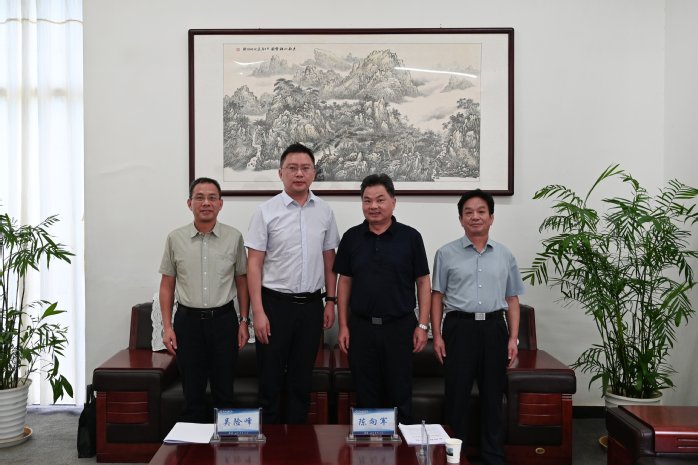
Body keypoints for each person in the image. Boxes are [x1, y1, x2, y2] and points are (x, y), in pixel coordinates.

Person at [245, 142, 340, 424]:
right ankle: (270, 442)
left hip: (311, 306)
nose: (299, 173)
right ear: (280, 173)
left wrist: (330, 301)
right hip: (274, 305)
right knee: (270, 378)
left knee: (302, 379)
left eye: (305, 168)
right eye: (293, 168)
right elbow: (254, 265)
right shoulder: (266, 211)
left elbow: (329, 260)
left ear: (314, 173)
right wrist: (257, 312)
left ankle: (298, 441)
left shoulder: (324, 211)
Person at [430, 189, 525, 465]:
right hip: (459, 329)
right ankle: (454, 457)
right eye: (468, 212)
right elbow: (437, 296)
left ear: (491, 217)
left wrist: (513, 338)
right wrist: (437, 335)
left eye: (481, 211)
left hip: (495, 328)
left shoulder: (505, 255)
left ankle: (493, 456)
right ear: (461, 219)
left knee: (493, 396)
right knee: (457, 396)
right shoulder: (445, 253)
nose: (475, 217)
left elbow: (512, 299)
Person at [334, 173, 431, 425]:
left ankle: (401, 446)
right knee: (366, 394)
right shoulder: (351, 237)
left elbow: (423, 282)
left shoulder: (411, 237)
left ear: (393, 202)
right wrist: (343, 325)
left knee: (400, 393)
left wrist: (423, 325)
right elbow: (344, 282)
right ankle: (370, 446)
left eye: (380, 200)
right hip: (361, 328)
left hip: (399, 327)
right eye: (367, 201)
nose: (373, 206)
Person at [159, 177, 250, 423]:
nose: (206, 203)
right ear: (190, 203)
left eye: (212, 198)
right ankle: (193, 444)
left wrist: (244, 321)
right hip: (187, 323)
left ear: (221, 204)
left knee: (224, 392)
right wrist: (167, 327)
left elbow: (242, 280)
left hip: (224, 322)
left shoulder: (234, 237)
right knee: (192, 394)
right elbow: (167, 285)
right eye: (199, 198)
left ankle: (225, 444)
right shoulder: (175, 238)